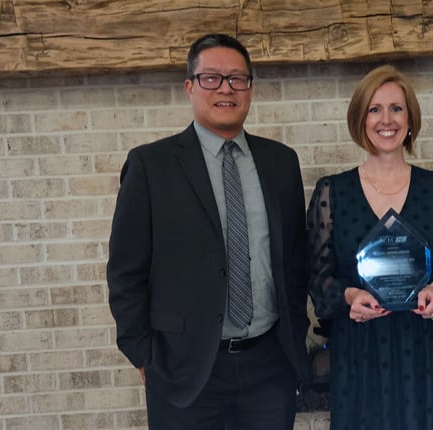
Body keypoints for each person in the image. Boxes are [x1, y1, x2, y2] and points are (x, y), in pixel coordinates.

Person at [106, 33, 309, 430]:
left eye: (237, 78)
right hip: (186, 369)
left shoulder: (281, 162)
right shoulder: (151, 166)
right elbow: (126, 271)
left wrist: (295, 335)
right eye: (211, 78)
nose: (225, 89)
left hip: (270, 366)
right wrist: (143, 352)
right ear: (190, 87)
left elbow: (295, 260)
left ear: (250, 88)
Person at [306, 65, 433, 430]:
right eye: (375, 109)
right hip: (361, 353)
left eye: (396, 108)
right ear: (360, 119)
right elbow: (318, 280)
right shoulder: (331, 192)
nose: (387, 119)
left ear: (410, 118)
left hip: (428, 349)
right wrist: (350, 295)